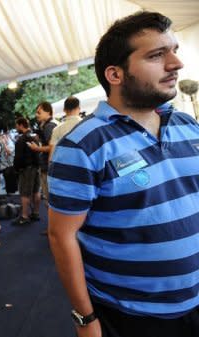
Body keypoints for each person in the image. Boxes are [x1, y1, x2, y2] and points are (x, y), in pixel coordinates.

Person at [48, 11, 199, 337]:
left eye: (173, 50)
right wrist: (85, 319)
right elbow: (62, 236)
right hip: (133, 315)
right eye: (157, 55)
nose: (175, 63)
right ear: (115, 74)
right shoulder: (81, 146)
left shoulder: (188, 126)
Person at [27, 101, 58, 207]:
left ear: (48, 112)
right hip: (48, 165)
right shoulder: (48, 125)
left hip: (48, 166)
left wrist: (37, 148)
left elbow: (52, 147)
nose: (36, 115)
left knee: (50, 199)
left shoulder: (49, 126)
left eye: (39, 112)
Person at [12, 117, 40, 225]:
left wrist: (16, 168)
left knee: (25, 193)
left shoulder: (22, 139)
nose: (16, 127)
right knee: (36, 191)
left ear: (20, 125)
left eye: (16, 125)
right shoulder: (34, 136)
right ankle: (36, 213)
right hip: (36, 167)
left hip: (26, 169)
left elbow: (18, 157)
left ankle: (24, 216)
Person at [48, 96, 82, 160]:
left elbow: (52, 154)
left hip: (64, 164)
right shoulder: (86, 125)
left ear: (64, 109)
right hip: (83, 164)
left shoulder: (57, 129)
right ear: (79, 108)